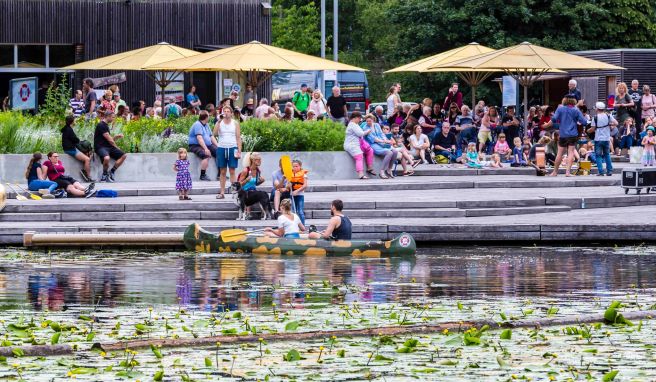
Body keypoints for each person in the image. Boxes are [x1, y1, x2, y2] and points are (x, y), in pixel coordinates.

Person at [545, 96, 588, 177]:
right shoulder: (576, 110)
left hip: (563, 134)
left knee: (559, 153)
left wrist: (547, 125)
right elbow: (584, 122)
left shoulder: (560, 108)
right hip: (572, 134)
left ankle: (554, 172)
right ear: (574, 101)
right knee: (571, 153)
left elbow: (554, 119)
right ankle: (567, 172)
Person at [214, 105, 242, 199]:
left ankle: (234, 193)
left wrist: (239, 150)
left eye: (227, 111)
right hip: (222, 147)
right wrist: (218, 121)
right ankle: (222, 192)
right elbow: (214, 133)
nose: (226, 113)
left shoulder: (235, 123)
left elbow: (238, 137)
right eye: (224, 111)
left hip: (232, 147)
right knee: (222, 171)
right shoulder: (220, 122)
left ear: (231, 113)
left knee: (232, 170)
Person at [94, 112, 127, 182]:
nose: (113, 119)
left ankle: (112, 172)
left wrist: (116, 137)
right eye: (112, 117)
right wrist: (116, 147)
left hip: (108, 147)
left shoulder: (106, 125)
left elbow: (108, 139)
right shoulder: (101, 125)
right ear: (108, 116)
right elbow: (109, 140)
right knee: (106, 158)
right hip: (100, 147)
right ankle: (104, 174)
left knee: (123, 155)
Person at [587, 102, 617, 176]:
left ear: (597, 109)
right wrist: (609, 124)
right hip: (607, 138)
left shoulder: (595, 117)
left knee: (598, 156)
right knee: (607, 154)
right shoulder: (608, 115)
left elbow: (593, 129)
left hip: (598, 139)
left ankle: (601, 172)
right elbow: (616, 123)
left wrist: (588, 130)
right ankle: (609, 171)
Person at [61, 115, 94, 182]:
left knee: (87, 155)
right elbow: (75, 140)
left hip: (68, 148)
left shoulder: (66, 128)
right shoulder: (69, 130)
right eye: (74, 120)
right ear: (72, 121)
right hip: (70, 149)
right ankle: (88, 176)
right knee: (87, 159)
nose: (75, 121)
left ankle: (85, 171)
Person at [363, 114, 396, 179]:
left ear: (373, 120)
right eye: (367, 121)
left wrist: (385, 139)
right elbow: (372, 139)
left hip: (381, 142)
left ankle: (389, 169)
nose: (368, 122)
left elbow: (382, 134)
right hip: (373, 144)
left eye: (370, 121)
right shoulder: (365, 128)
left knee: (395, 151)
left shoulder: (377, 125)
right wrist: (383, 141)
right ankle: (382, 171)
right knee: (389, 153)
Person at [344, 111, 375, 179]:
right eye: (359, 118)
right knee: (359, 156)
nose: (360, 120)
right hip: (352, 145)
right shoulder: (352, 125)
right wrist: (367, 131)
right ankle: (361, 174)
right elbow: (360, 134)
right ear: (355, 118)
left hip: (358, 144)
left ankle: (369, 167)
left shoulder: (355, 124)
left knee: (370, 150)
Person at [289, 159, 308, 225]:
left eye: (296, 166)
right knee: (293, 211)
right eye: (293, 166)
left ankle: (302, 227)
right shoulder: (290, 175)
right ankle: (294, 226)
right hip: (292, 195)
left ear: (300, 166)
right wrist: (288, 185)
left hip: (300, 195)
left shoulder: (304, 175)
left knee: (300, 211)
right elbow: (287, 186)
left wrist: (297, 191)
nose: (295, 168)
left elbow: (305, 185)